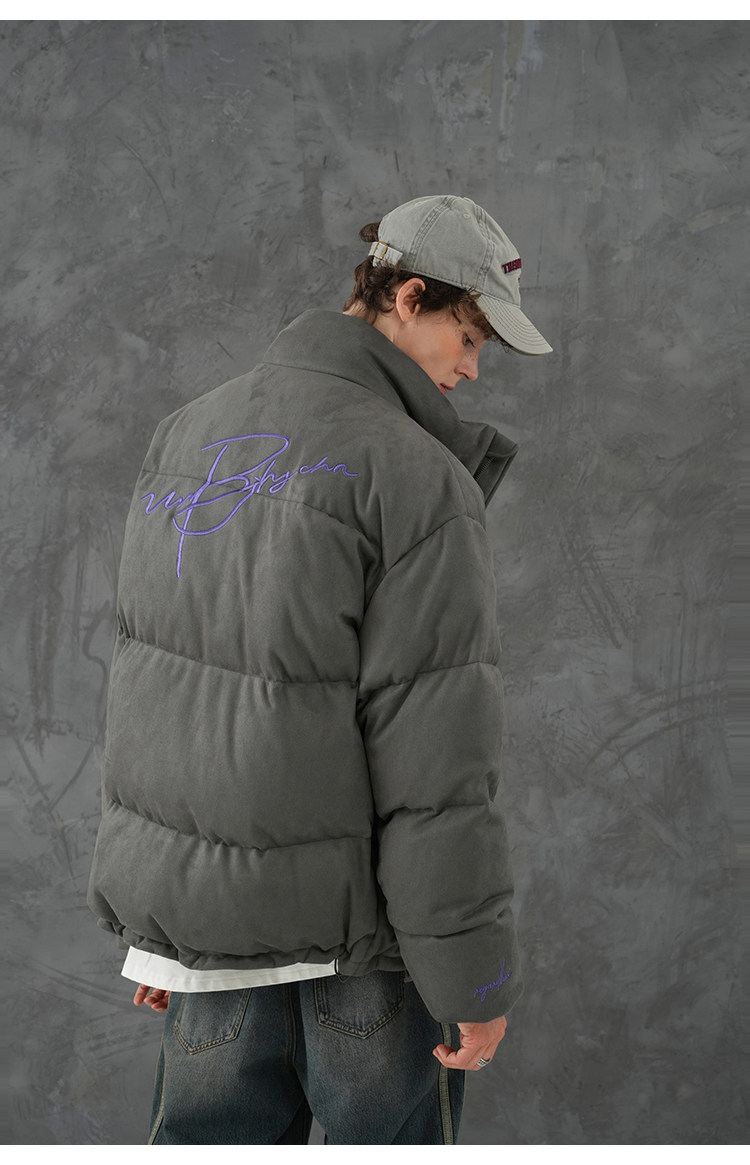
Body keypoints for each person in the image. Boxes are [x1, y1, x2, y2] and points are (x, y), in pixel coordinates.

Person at [86, 193, 552, 1145]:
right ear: (408, 296)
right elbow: (437, 769)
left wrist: (161, 929)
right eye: (468, 337)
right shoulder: (416, 475)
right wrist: (473, 980)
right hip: (363, 959)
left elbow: (154, 698)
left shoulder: (185, 436)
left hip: (210, 950)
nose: (471, 368)